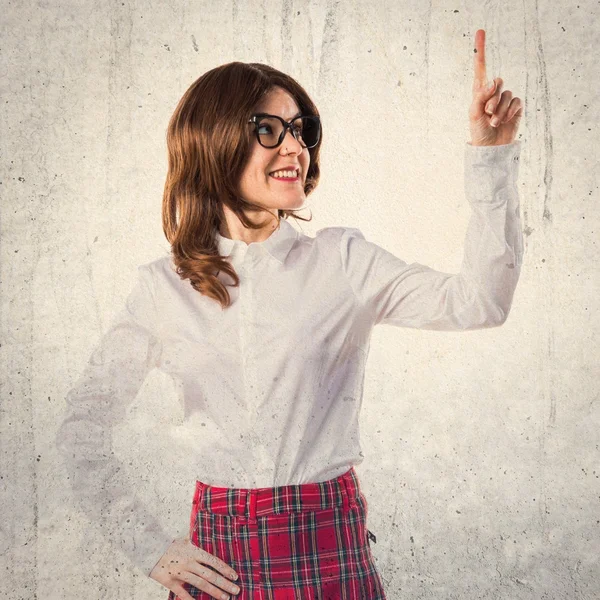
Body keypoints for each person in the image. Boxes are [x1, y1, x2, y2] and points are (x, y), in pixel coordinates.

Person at [55, 28, 524, 600]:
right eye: (268, 129)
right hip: (218, 565)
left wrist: (491, 160)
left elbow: (481, 302)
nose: (294, 147)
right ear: (213, 140)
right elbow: (80, 426)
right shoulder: (162, 289)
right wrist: (148, 548)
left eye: (301, 129)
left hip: (329, 549)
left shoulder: (343, 261)